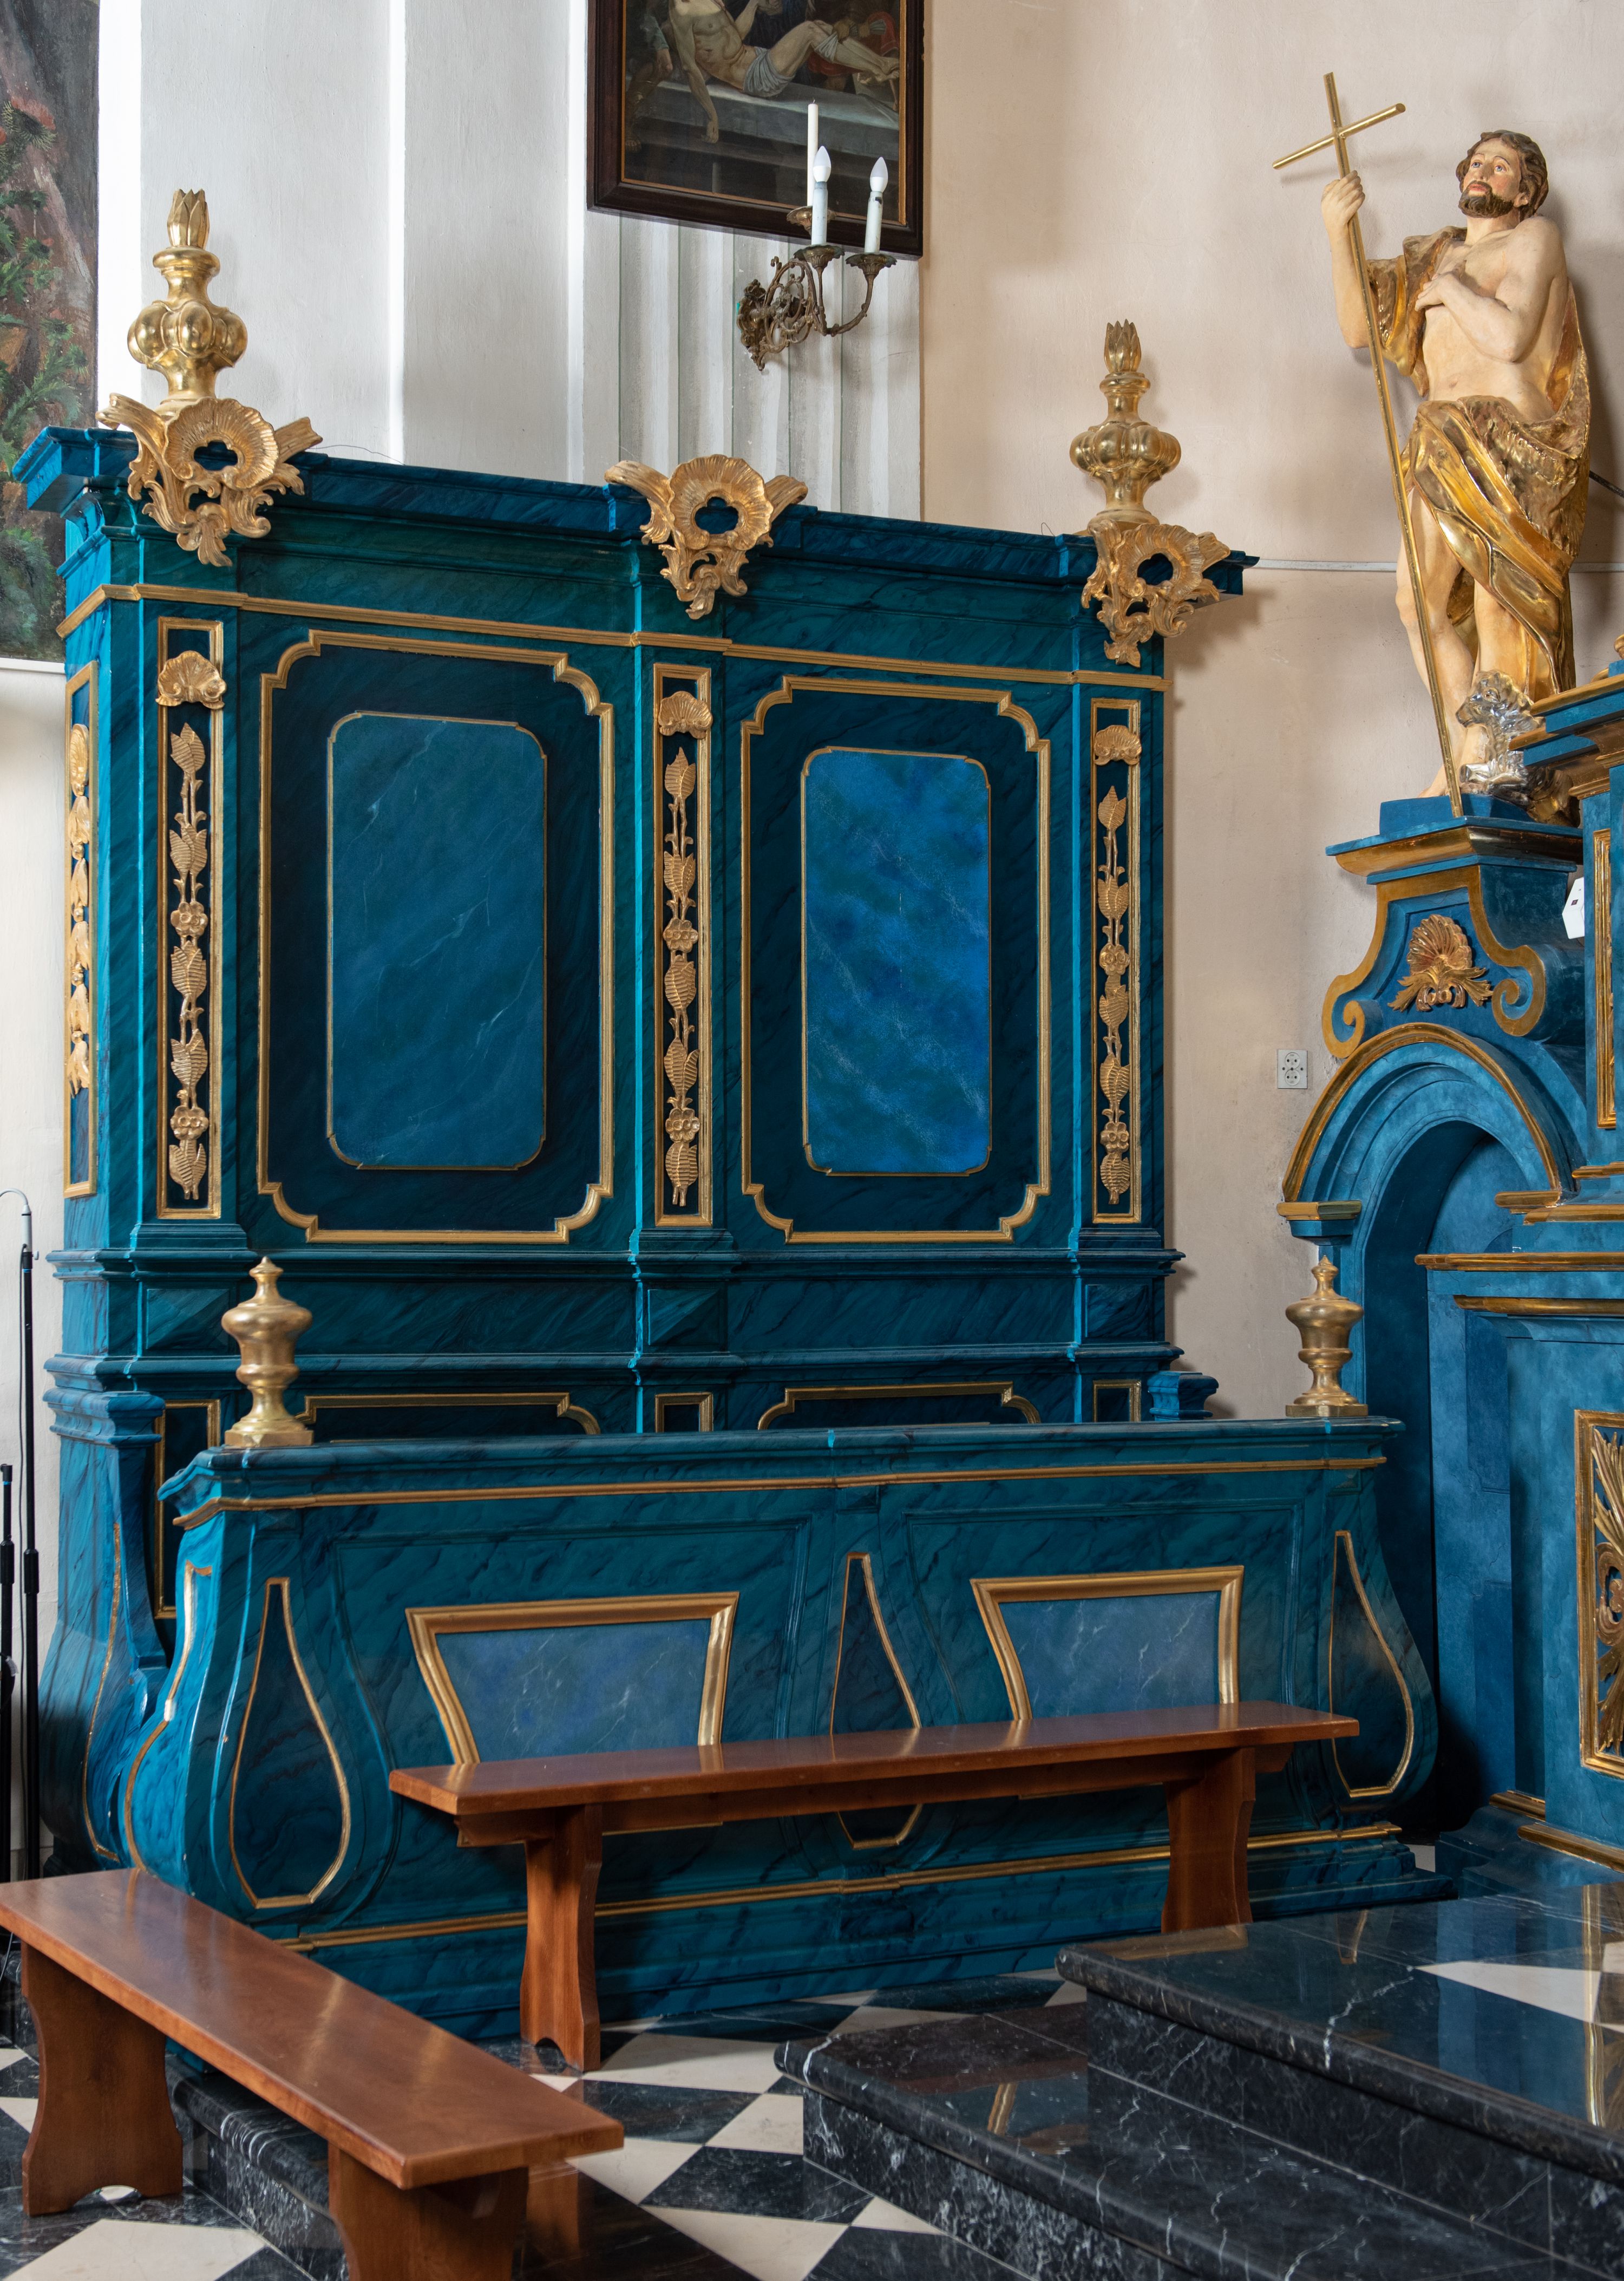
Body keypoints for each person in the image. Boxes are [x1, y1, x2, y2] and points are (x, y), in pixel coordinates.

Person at [1321, 131, 1589, 791]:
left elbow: (1509, 336)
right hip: (1441, 440)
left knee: (1500, 607)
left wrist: (1451, 291)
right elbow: (1359, 328)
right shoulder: (1433, 255)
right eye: (1476, 162)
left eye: (1501, 166)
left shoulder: (1534, 238)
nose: (1482, 172)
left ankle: (1500, 759)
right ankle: (1461, 744)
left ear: (1524, 191)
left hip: (1511, 444)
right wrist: (1337, 232)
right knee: (1417, 603)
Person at [665, 0, 900, 143]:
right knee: (810, 31)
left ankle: (879, 65)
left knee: (821, 28)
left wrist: (754, 4)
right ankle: (880, 66)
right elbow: (690, 68)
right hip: (755, 78)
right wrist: (712, 116)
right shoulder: (681, 13)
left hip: (759, 58)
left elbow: (735, 37)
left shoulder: (712, 1)